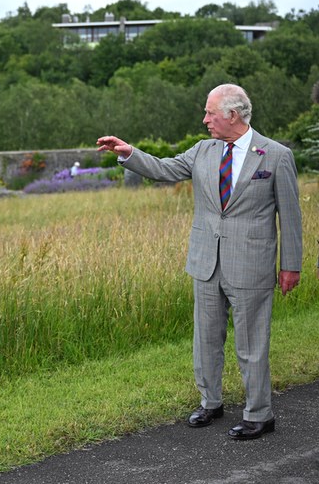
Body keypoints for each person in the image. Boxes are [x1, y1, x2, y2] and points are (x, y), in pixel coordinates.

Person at [96, 83, 302, 441]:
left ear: (232, 116)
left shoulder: (275, 155)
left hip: (250, 265)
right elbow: (163, 169)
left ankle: (259, 414)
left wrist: (291, 265)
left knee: (252, 344)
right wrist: (129, 153)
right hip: (206, 262)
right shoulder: (203, 151)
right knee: (205, 339)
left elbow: (291, 215)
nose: (205, 119)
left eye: (210, 113)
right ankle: (211, 402)